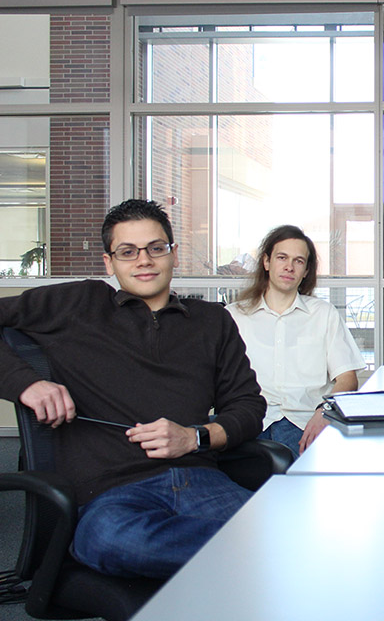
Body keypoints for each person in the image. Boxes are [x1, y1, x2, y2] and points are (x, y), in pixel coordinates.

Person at [0, 199, 266, 579]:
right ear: (110, 262)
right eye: (128, 252)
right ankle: (256, 552)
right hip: (111, 496)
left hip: (202, 482)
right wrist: (25, 384)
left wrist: (195, 438)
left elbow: (247, 406)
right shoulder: (78, 302)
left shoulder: (212, 321)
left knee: (278, 531)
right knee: (112, 540)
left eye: (156, 248)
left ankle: (252, 553)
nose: (144, 260)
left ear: (173, 254)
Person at [228, 225, 365, 458]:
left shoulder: (323, 314)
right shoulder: (234, 316)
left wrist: (325, 412)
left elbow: (347, 378)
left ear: (306, 271)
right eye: (282, 257)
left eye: (298, 261)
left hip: (305, 422)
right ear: (266, 262)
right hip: (250, 421)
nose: (289, 267)